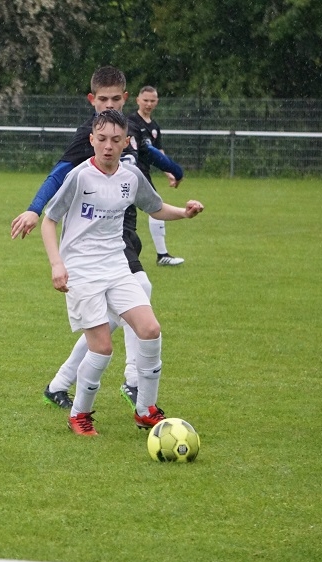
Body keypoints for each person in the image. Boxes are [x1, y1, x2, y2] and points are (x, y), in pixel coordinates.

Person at [9, 66, 184, 413]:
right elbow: (59, 174)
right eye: (102, 100)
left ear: (125, 99)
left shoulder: (129, 130)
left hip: (124, 230)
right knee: (137, 295)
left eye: (115, 99)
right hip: (99, 241)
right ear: (92, 101)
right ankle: (132, 379)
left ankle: (60, 384)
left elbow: (149, 156)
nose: (108, 106)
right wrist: (34, 208)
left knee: (112, 318)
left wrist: (175, 170)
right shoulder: (90, 134)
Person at [40, 109, 204, 436]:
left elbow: (155, 207)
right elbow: (50, 219)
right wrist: (57, 264)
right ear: (91, 140)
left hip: (116, 265)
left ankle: (146, 410)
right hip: (82, 271)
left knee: (150, 329)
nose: (108, 146)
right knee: (102, 348)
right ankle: (79, 415)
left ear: (126, 142)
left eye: (116, 140)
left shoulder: (131, 177)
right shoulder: (79, 176)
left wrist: (184, 213)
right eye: (101, 139)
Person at [127, 86, 184, 266]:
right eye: (145, 100)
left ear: (157, 102)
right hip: (131, 171)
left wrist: (169, 172)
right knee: (153, 207)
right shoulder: (131, 121)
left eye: (152, 101)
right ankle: (160, 255)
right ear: (137, 100)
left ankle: (160, 254)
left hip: (144, 172)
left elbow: (158, 153)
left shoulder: (154, 127)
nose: (149, 104)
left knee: (153, 207)